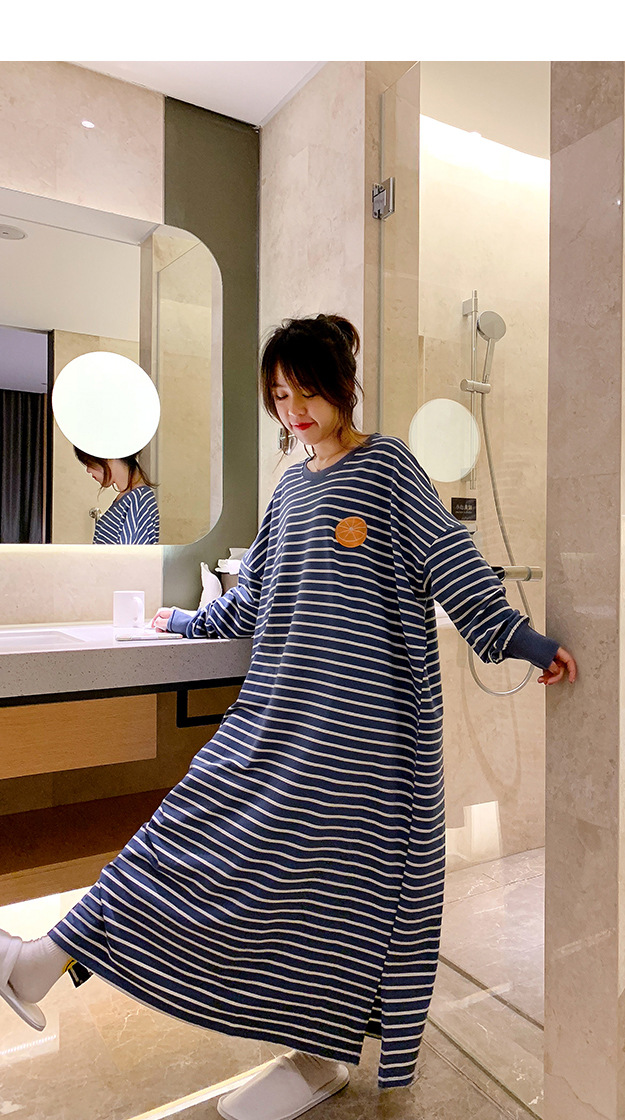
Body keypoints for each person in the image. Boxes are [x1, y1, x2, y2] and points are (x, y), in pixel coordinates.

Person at [0, 314, 576, 1120]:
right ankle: (47, 959)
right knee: (189, 835)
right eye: (279, 395)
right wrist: (185, 621)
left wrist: (522, 639)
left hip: (367, 739)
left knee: (339, 891)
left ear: (341, 386)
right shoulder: (293, 489)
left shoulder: (387, 469)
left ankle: (319, 1053)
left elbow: (453, 565)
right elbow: (254, 599)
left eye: (306, 392)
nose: (294, 410)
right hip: (279, 717)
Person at [75, 447, 159, 545]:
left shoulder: (138, 500)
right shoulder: (130, 497)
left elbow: (130, 553)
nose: (88, 470)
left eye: (89, 462)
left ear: (109, 456)